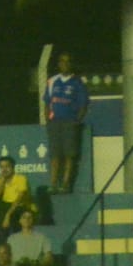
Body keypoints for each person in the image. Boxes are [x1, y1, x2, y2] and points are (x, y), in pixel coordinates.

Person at [43, 51, 89, 194]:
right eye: (62, 61)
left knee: (69, 155)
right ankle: (53, 184)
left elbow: (83, 105)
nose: (65, 64)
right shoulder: (52, 81)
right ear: (59, 64)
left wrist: (76, 120)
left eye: (68, 61)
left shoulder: (77, 82)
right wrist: (47, 120)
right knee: (55, 155)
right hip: (55, 122)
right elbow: (46, 102)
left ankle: (66, 184)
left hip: (70, 122)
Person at [0, 156, 35, 246]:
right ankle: (1, 249)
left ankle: (3, 246)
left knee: (6, 216)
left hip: (20, 208)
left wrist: (7, 215)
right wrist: (2, 182)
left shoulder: (21, 179)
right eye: (2, 167)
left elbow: (19, 199)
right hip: (4, 210)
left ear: (13, 167)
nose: (4, 169)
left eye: (7, 166)